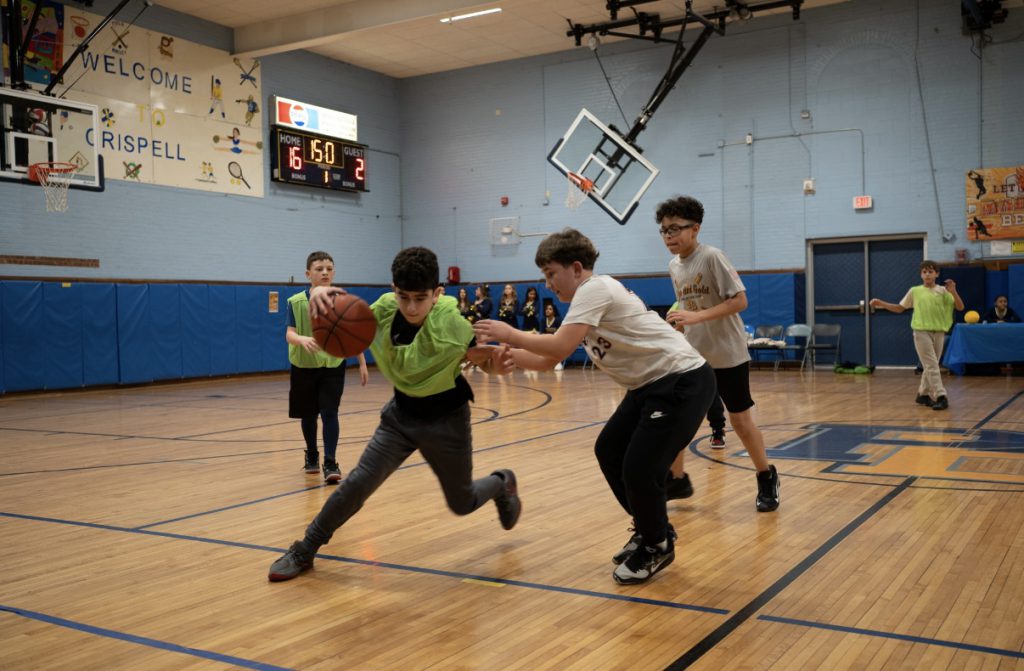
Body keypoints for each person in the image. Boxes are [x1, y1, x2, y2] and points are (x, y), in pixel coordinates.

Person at [474, 228, 716, 585]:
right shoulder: (585, 305)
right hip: (649, 387)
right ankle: (652, 529)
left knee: (638, 467)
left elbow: (556, 347)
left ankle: (656, 544)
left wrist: (508, 334)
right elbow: (546, 360)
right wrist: (503, 356)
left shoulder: (595, 289)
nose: (547, 284)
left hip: (681, 380)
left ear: (575, 267)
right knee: (609, 450)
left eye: (550, 274)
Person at [269, 247, 522, 582]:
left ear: (437, 294)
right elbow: (337, 306)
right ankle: (304, 549)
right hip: (401, 416)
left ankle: (502, 483)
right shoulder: (383, 312)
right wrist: (318, 291)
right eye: (404, 297)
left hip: (446, 419)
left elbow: (481, 358)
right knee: (357, 483)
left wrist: (496, 366)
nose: (412, 307)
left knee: (462, 503)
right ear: (393, 290)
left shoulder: (453, 324)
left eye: (421, 298)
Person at [656, 196, 781, 512]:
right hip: (694, 356)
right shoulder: (674, 266)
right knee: (678, 418)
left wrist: (696, 317)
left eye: (675, 229)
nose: (669, 236)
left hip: (727, 353)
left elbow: (740, 301)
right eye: (664, 230)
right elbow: (687, 307)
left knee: (739, 421)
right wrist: (679, 330)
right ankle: (677, 479)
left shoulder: (712, 257)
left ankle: (766, 476)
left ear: (695, 229)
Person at [286, 251, 369, 483]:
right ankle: (311, 454)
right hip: (304, 364)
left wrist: (362, 362)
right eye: (319, 268)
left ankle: (330, 462)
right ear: (308, 273)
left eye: (329, 268)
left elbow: (351, 333)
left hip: (333, 364)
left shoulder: (342, 300)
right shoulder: (295, 302)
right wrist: (301, 339)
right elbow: (289, 334)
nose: (325, 272)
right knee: (308, 413)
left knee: (330, 412)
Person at [869, 260, 964, 411]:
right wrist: (882, 303)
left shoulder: (943, 291)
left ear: (937, 274)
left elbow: (960, 306)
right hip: (921, 332)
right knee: (932, 365)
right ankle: (941, 395)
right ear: (921, 274)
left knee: (929, 365)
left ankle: (923, 394)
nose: (927, 274)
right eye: (924, 272)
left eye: (930, 271)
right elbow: (900, 308)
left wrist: (953, 291)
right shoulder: (915, 291)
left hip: (939, 332)